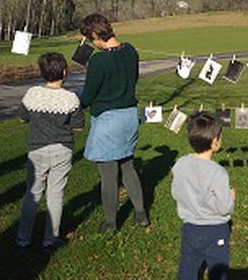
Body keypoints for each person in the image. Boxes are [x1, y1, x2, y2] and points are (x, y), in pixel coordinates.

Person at [79, 13, 149, 234]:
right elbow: (133, 80)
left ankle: (110, 222)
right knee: (128, 166)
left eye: (91, 39)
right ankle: (140, 214)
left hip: (108, 120)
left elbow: (88, 95)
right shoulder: (131, 51)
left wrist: (76, 102)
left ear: (94, 34)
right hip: (129, 116)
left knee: (108, 174)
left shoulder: (98, 60)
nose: (93, 44)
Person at [16, 52, 85, 251]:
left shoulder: (32, 94)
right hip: (62, 149)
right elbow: (79, 126)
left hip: (36, 149)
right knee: (55, 194)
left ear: (42, 73)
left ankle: (23, 238)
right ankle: (50, 239)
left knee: (33, 194)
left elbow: (22, 118)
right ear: (65, 72)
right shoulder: (70, 98)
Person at [172, 112, 235, 280]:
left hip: (190, 228)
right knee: (218, 270)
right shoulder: (218, 172)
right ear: (215, 141)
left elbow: (176, 193)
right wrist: (231, 199)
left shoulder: (180, 164)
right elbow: (223, 208)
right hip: (215, 230)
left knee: (187, 268)